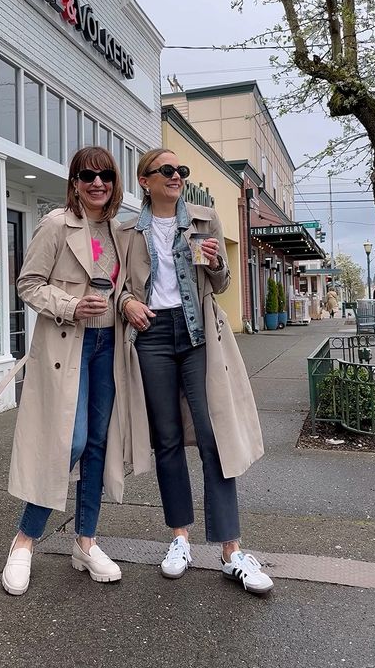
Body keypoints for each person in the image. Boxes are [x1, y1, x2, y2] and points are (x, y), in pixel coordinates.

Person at [119, 148, 273, 595]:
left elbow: (222, 285)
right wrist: (127, 303)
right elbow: (118, 288)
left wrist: (219, 262)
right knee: (166, 438)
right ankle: (179, 538)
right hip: (151, 335)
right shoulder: (127, 231)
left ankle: (231, 551)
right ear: (145, 180)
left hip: (196, 332)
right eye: (167, 170)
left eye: (181, 170)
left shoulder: (205, 219)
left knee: (213, 437)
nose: (177, 176)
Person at [2, 146, 127, 595]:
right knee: (67, 440)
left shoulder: (118, 230)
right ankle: (25, 539)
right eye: (87, 175)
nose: (97, 183)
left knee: (96, 443)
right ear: (74, 182)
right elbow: (27, 284)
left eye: (105, 176)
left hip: (107, 345)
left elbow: (125, 287)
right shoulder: (57, 223)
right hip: (66, 344)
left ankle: (85, 541)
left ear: (114, 183)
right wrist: (72, 305)